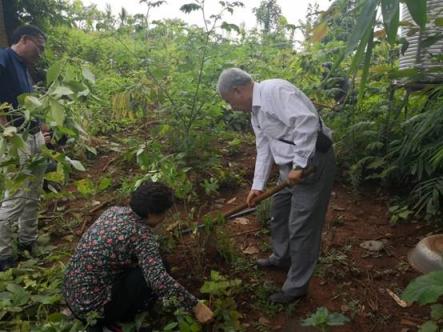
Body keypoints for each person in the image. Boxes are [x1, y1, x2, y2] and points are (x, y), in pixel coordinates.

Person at [216, 68, 336, 304]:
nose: (232, 107)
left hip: (311, 164)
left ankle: (296, 288)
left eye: (230, 101)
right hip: (289, 169)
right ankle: (282, 257)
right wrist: (257, 186)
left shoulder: (275, 91)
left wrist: (300, 165)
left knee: (302, 227)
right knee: (279, 213)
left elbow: (306, 122)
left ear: (238, 90)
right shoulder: (255, 113)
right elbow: (264, 147)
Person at [63, 181, 214, 331]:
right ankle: (118, 321)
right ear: (150, 214)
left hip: (72, 293)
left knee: (149, 264)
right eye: (164, 213)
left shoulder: (114, 211)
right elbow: (158, 280)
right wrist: (196, 306)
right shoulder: (141, 235)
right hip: (92, 309)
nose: (165, 218)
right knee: (158, 270)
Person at [0, 25, 50, 271]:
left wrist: (42, 126)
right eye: (39, 47)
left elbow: (30, 100)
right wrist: (4, 127)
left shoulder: (24, 68)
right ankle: (4, 255)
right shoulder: (4, 58)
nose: (41, 53)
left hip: (33, 136)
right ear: (24, 39)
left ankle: (27, 240)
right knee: (16, 198)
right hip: (15, 139)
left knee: (33, 193)